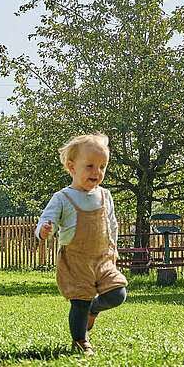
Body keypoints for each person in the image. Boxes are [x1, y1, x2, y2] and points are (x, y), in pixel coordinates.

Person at [36, 133, 127, 355]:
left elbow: (111, 224)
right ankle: (80, 340)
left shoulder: (105, 196)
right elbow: (45, 221)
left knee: (118, 294)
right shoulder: (62, 198)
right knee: (79, 301)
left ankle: (93, 310)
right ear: (71, 167)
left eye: (102, 166)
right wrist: (44, 230)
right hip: (76, 260)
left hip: (103, 258)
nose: (97, 172)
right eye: (90, 166)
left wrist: (114, 246)